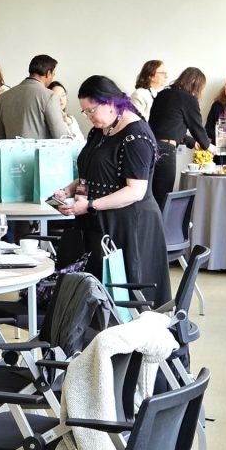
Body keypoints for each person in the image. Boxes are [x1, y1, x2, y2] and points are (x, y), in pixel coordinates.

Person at [55, 75, 169, 306]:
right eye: (84, 111)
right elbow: (93, 171)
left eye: (91, 110)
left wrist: (89, 205)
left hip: (130, 226)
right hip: (101, 224)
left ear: (110, 103)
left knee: (126, 300)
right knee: (97, 297)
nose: (88, 117)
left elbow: (134, 191)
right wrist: (70, 188)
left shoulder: (136, 135)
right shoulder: (101, 129)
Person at [148, 67, 211, 207]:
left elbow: (166, 127)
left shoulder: (163, 94)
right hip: (165, 151)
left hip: (149, 148)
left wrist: (192, 142)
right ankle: (160, 229)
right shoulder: (188, 99)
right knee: (162, 197)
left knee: (149, 196)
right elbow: (197, 128)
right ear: (195, 82)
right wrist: (211, 147)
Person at [0, 54, 68, 140]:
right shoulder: (49, 96)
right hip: (39, 153)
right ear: (48, 73)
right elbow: (61, 136)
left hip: (8, 153)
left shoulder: (3, 97)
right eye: (53, 74)